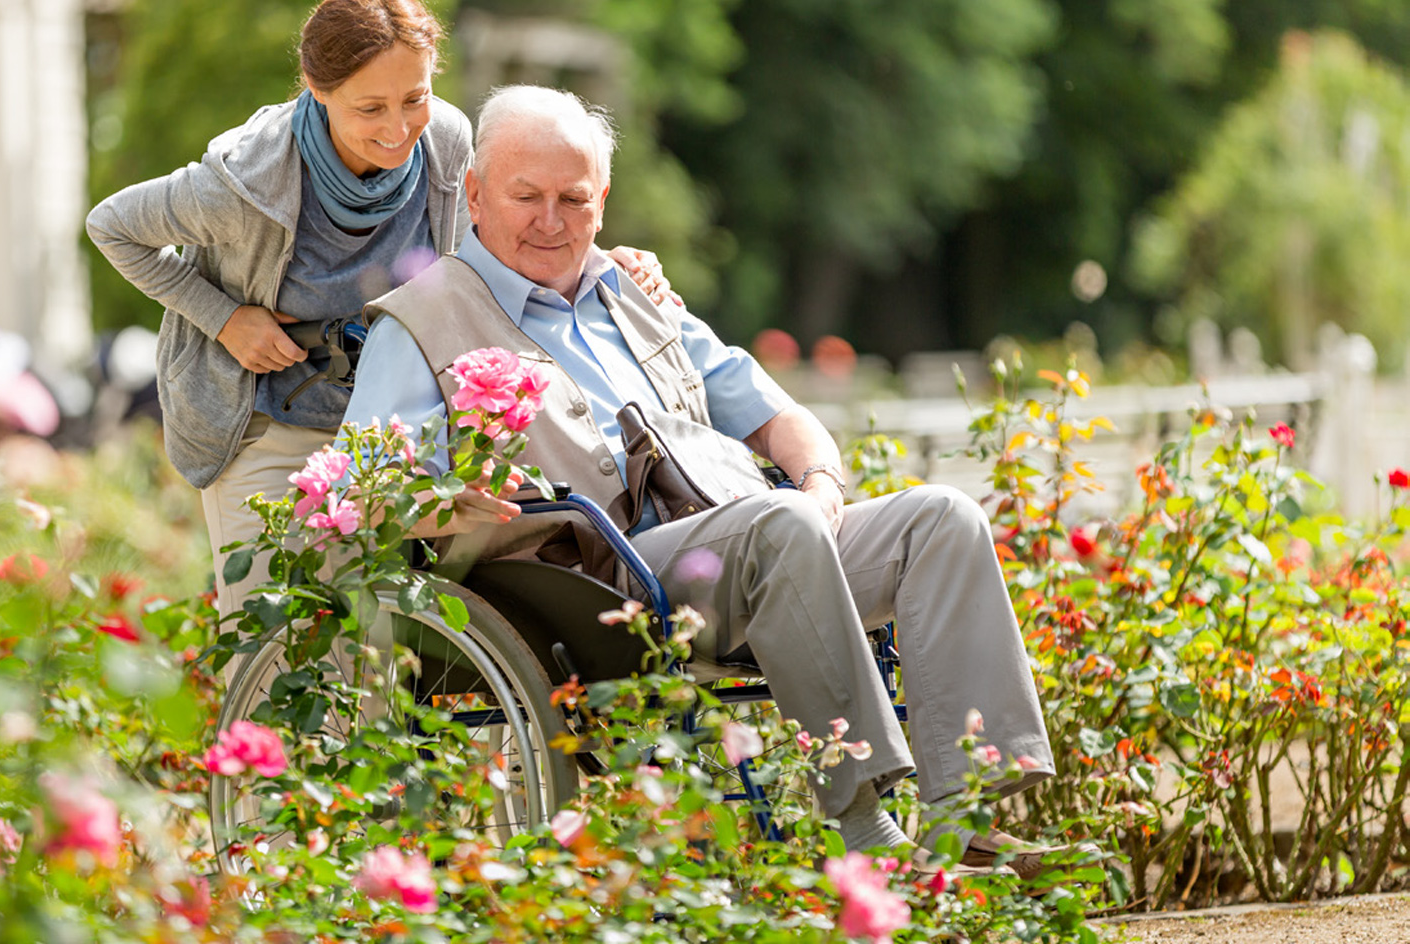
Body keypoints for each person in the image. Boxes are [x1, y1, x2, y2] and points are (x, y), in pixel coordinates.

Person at [342, 84, 1059, 871]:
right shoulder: (421, 322)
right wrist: (451, 502)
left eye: (573, 198)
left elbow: (782, 418)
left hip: (740, 549)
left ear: (603, 200)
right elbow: (368, 488)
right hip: (588, 588)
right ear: (475, 194)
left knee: (941, 520)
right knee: (777, 525)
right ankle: (863, 829)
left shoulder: (636, 294)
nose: (550, 221)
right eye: (526, 197)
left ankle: (970, 824)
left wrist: (821, 486)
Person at [86, 0, 672, 628]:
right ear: (318, 89)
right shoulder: (245, 180)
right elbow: (111, 226)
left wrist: (602, 262)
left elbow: (496, 244)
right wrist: (224, 319)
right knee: (280, 640)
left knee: (386, 647)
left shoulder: (445, 140)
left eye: (413, 98)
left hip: (392, 427)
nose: (398, 130)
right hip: (268, 423)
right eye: (370, 109)